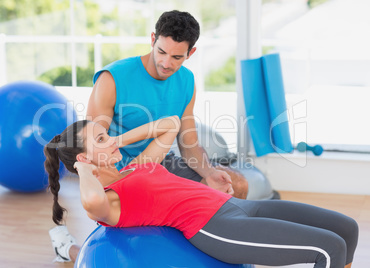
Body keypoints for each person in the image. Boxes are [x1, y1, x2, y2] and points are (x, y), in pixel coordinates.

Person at [44, 117, 358, 267]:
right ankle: (68, 248)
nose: (111, 139)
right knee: (327, 248)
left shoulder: (136, 167)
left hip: (235, 205)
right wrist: (84, 167)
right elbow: (92, 200)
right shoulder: (109, 198)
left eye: (106, 134)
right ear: (85, 159)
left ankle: (66, 249)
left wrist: (115, 141)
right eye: (101, 140)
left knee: (347, 229)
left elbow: (170, 125)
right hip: (217, 227)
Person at [86, 10, 248, 199]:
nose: (165, 63)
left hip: (161, 164)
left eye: (176, 57)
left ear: (190, 53)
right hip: (122, 170)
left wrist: (210, 173)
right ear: (153, 39)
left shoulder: (186, 80)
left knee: (235, 185)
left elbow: (188, 143)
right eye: (161, 52)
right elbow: (90, 145)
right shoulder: (112, 79)